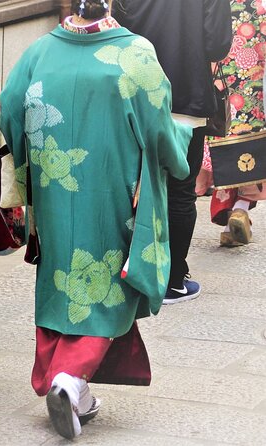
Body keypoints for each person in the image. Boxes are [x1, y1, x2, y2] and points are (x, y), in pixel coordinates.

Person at [0, 0, 191, 439]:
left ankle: (71, 390)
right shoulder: (134, 53)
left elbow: (9, 112)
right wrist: (179, 155)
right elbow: (160, 128)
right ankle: (70, 377)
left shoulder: (39, 51)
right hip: (113, 186)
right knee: (104, 279)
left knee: (59, 275)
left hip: (54, 184)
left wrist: (34, 168)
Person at [112, 0, 232, 304]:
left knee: (130, 182)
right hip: (187, 93)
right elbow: (218, 44)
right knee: (181, 188)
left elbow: (116, 23)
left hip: (135, 91)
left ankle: (129, 270)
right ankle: (172, 279)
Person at [198, 0, 266, 247]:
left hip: (218, 91)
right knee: (249, 161)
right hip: (252, 97)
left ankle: (232, 219)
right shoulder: (258, 5)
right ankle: (238, 212)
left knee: (223, 157)